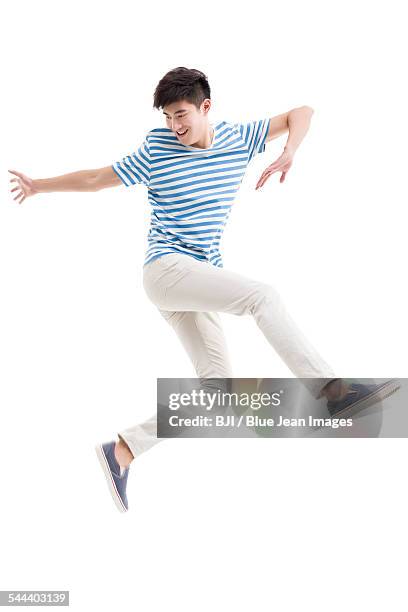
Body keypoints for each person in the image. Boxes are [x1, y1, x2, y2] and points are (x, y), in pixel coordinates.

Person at [8, 67, 399, 513]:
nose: (175, 127)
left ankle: (123, 451)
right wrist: (41, 185)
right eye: (169, 118)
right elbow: (99, 178)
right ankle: (332, 391)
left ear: (205, 107)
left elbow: (302, 112)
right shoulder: (157, 148)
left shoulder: (237, 139)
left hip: (193, 280)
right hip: (167, 270)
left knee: (218, 393)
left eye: (182, 116)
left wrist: (289, 150)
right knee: (262, 296)